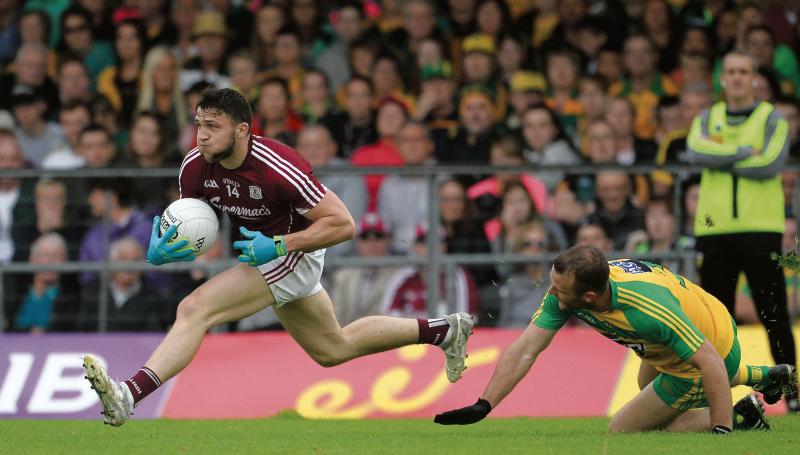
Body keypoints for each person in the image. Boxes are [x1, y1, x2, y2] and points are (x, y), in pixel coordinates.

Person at [82, 88, 473, 426]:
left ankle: (127, 395)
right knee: (332, 349)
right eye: (199, 125)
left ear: (242, 131)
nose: (201, 136)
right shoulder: (194, 167)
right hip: (264, 252)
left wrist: (281, 245)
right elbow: (192, 224)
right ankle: (444, 330)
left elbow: (343, 225)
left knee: (195, 308)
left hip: (293, 250)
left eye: (212, 127)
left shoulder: (280, 168)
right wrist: (164, 250)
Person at [434, 244, 797, 433]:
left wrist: (722, 432)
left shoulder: (647, 310)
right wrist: (485, 404)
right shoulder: (575, 288)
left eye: (560, 290)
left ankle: (742, 415)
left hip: (710, 345)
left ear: (589, 298)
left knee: (625, 428)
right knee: (646, 388)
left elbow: (709, 362)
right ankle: (763, 376)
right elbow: (526, 348)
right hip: (692, 329)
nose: (552, 295)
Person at [687, 50, 798, 411]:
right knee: (714, 321)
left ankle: (792, 392)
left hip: (761, 229)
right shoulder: (708, 117)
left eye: (743, 71)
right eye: (730, 71)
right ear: (722, 78)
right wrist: (742, 150)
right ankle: (712, 397)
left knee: (774, 313)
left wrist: (721, 156)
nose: (736, 77)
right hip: (714, 229)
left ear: (754, 78)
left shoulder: (772, 119)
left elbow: (769, 164)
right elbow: (694, 152)